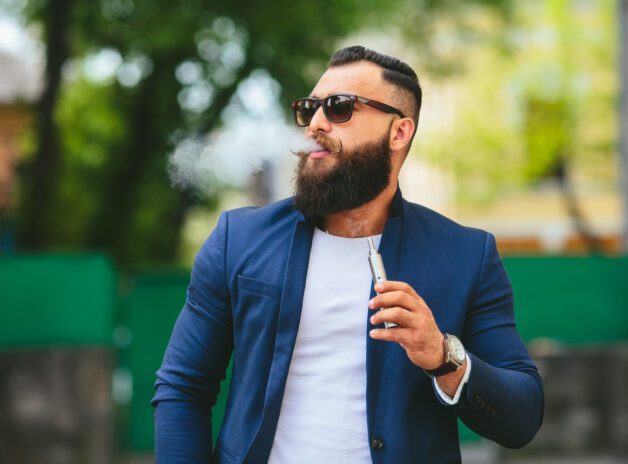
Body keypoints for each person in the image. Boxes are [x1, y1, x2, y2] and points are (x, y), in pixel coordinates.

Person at [152, 45, 543, 463]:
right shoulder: (240, 239)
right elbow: (183, 388)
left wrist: (443, 356)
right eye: (309, 109)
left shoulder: (466, 255)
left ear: (399, 132)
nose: (315, 124)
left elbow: (521, 419)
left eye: (339, 107)